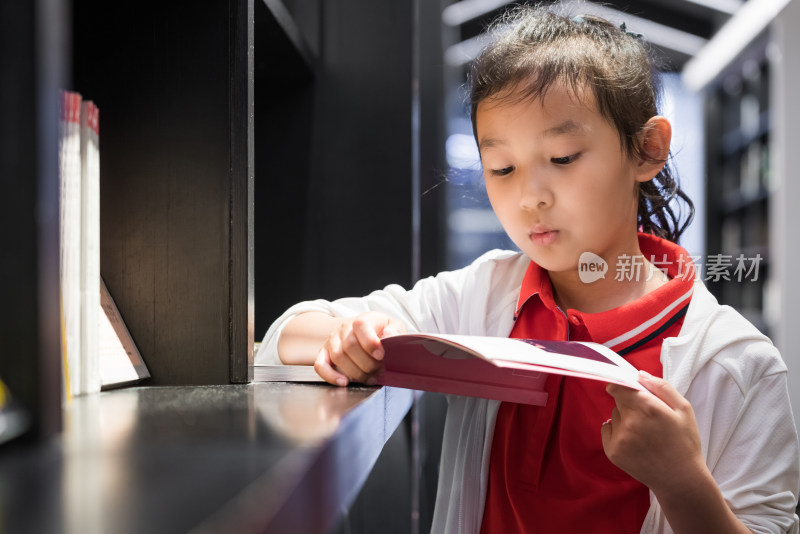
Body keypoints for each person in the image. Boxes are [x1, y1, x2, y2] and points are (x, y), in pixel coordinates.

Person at [258, 6, 800, 533]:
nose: (529, 197)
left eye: (563, 158)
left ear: (648, 149)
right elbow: (282, 336)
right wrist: (347, 339)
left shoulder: (738, 363)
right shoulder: (484, 294)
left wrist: (683, 484)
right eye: (502, 168)